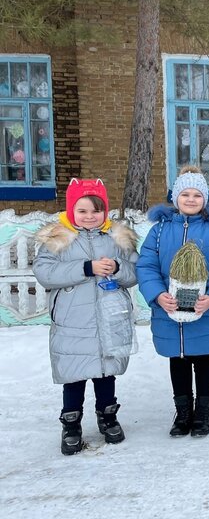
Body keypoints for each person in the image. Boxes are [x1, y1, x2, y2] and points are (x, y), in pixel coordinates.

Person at [33, 178, 139, 455]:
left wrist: (117, 267)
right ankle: (71, 423)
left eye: (96, 210)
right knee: (74, 374)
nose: (90, 217)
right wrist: (85, 268)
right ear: (71, 211)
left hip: (109, 318)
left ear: (105, 211)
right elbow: (45, 273)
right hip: (73, 320)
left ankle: (108, 416)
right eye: (82, 211)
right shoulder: (58, 239)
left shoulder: (117, 238)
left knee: (106, 371)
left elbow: (135, 272)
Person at [136, 167, 209, 438]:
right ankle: (183, 413)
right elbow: (146, 266)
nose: (191, 199)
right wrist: (158, 295)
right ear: (175, 197)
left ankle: (202, 414)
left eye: (196, 194)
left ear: (204, 199)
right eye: (185, 194)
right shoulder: (159, 231)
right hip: (169, 311)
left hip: (206, 311)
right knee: (178, 360)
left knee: (204, 359)